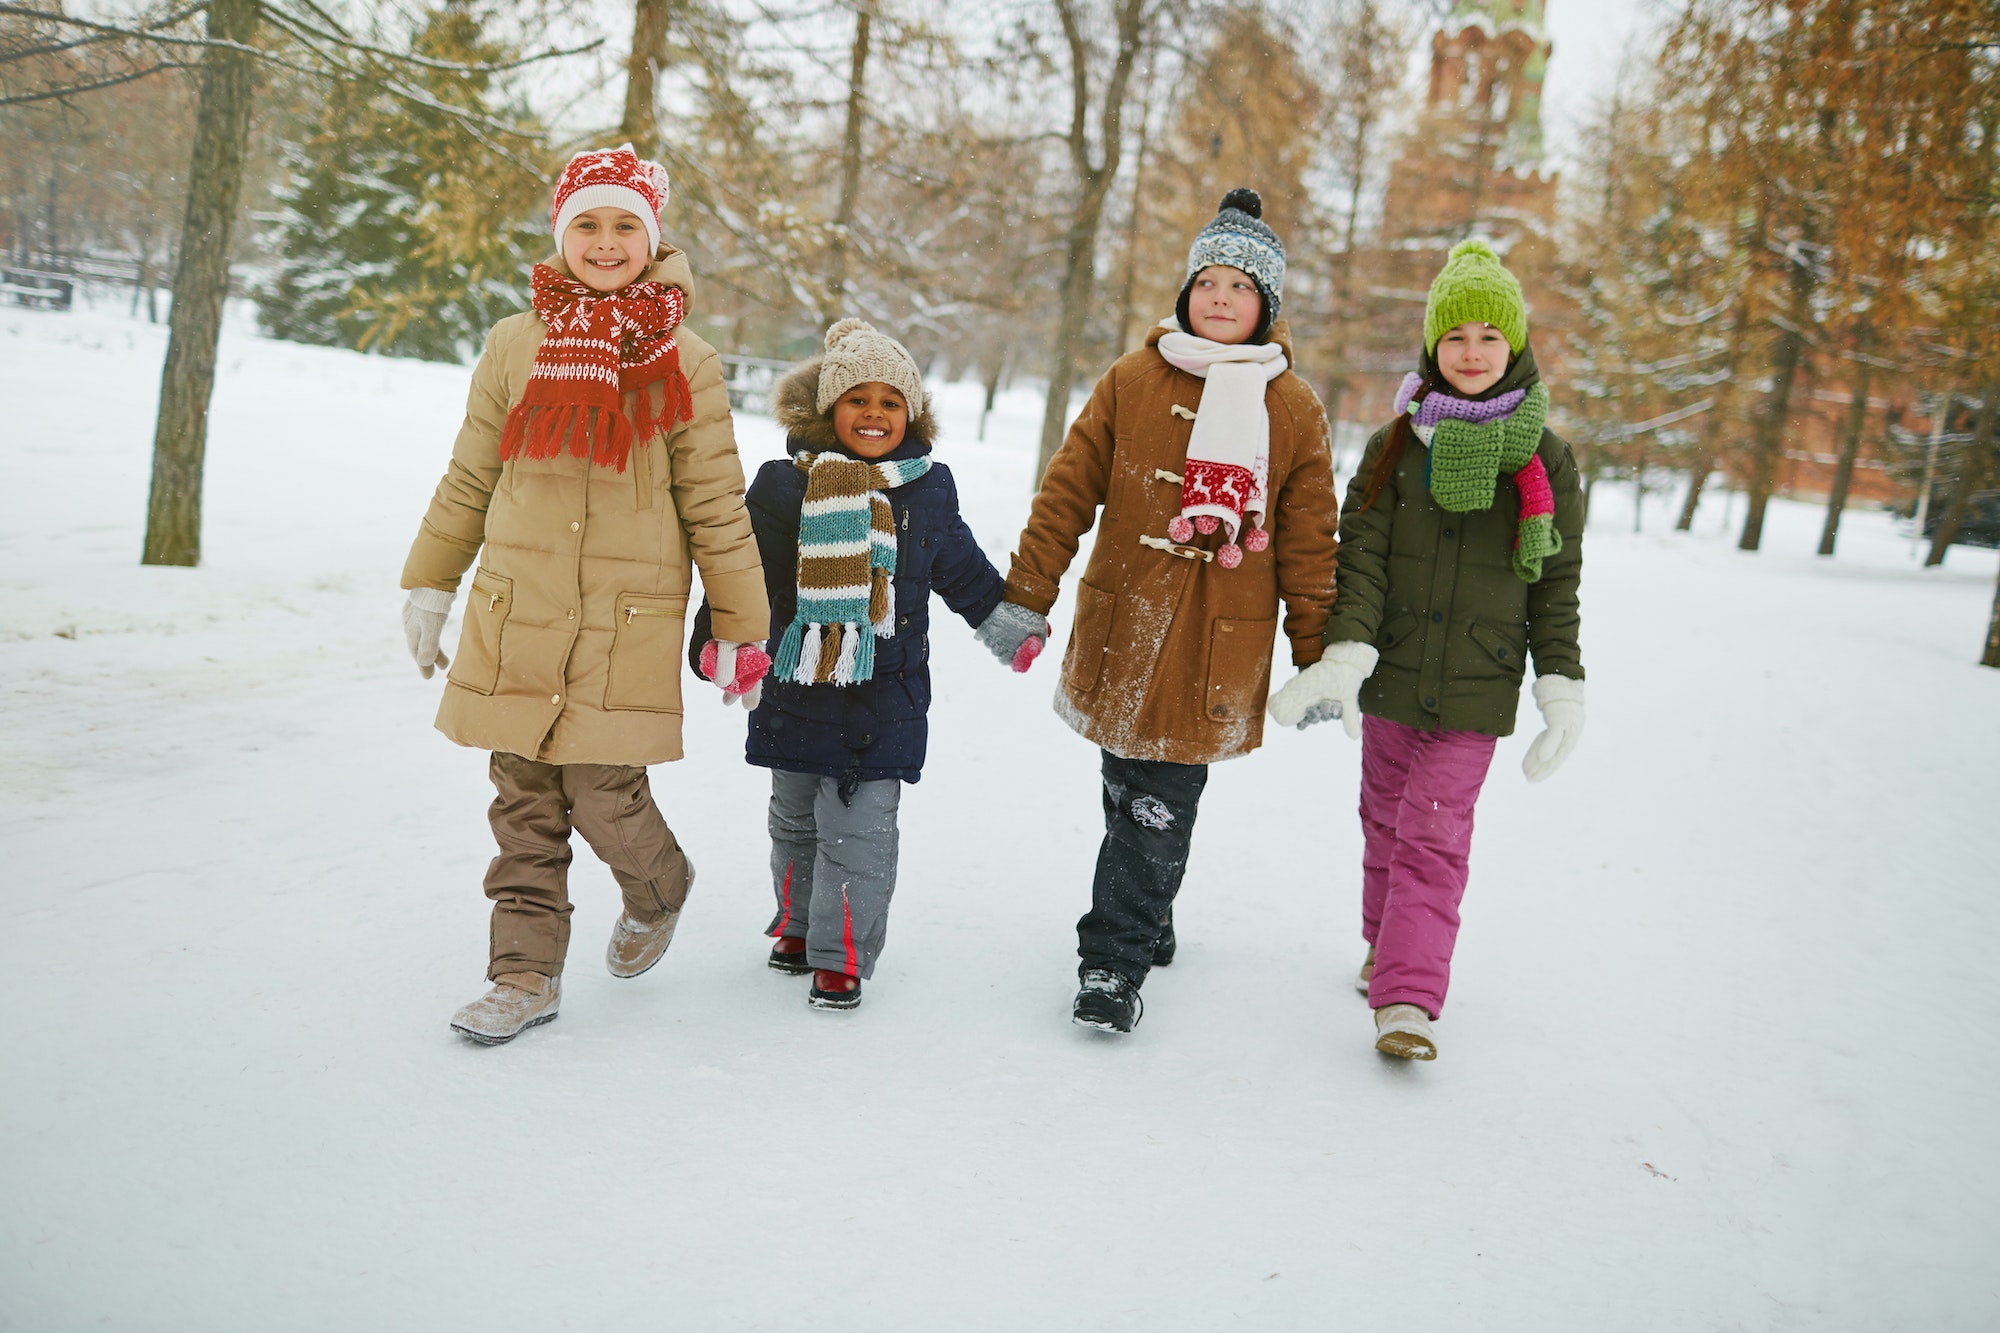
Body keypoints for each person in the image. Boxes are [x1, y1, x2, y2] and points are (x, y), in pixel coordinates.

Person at [399, 145, 771, 1044]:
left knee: (606, 795)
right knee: (523, 803)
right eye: (588, 225)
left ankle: (658, 886)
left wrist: (740, 625)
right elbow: (469, 477)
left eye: (624, 226)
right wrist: (429, 582)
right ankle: (522, 975)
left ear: (652, 237)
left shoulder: (687, 360)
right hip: (516, 613)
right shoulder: (513, 343)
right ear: (562, 234)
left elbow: (716, 504)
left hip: (622, 624)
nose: (605, 243)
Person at [996, 189, 1340, 1034]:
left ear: (1267, 308)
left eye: (1241, 287)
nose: (1221, 297)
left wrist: (1318, 650)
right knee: (1123, 783)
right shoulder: (1132, 379)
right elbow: (1066, 491)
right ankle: (1151, 906)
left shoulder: (1291, 408)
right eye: (1208, 281)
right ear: (1186, 291)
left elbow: (1310, 542)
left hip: (1215, 643)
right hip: (1127, 618)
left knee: (1159, 798)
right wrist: (1025, 597)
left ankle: (1113, 960)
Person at [1269, 238, 1587, 1061]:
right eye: (1455, 337)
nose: (1472, 352)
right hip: (1396, 677)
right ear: (1432, 347)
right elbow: (1362, 562)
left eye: (1489, 336)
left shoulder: (1547, 460)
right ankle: (1385, 943)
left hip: (1478, 689)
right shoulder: (1395, 449)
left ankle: (1407, 997)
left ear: (1513, 344)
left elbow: (1556, 586)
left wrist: (1560, 685)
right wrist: (1345, 652)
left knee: (1435, 832)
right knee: (1385, 821)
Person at [689, 319, 1046, 1011]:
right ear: (828, 409)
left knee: (860, 834)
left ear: (911, 413)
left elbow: (965, 572)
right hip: (795, 685)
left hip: (885, 699)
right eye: (858, 398)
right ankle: (795, 925)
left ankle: (840, 955)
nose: (875, 413)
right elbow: (741, 578)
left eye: (891, 400)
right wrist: (719, 641)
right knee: (794, 822)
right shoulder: (779, 487)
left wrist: (1005, 625)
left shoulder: (928, 491)